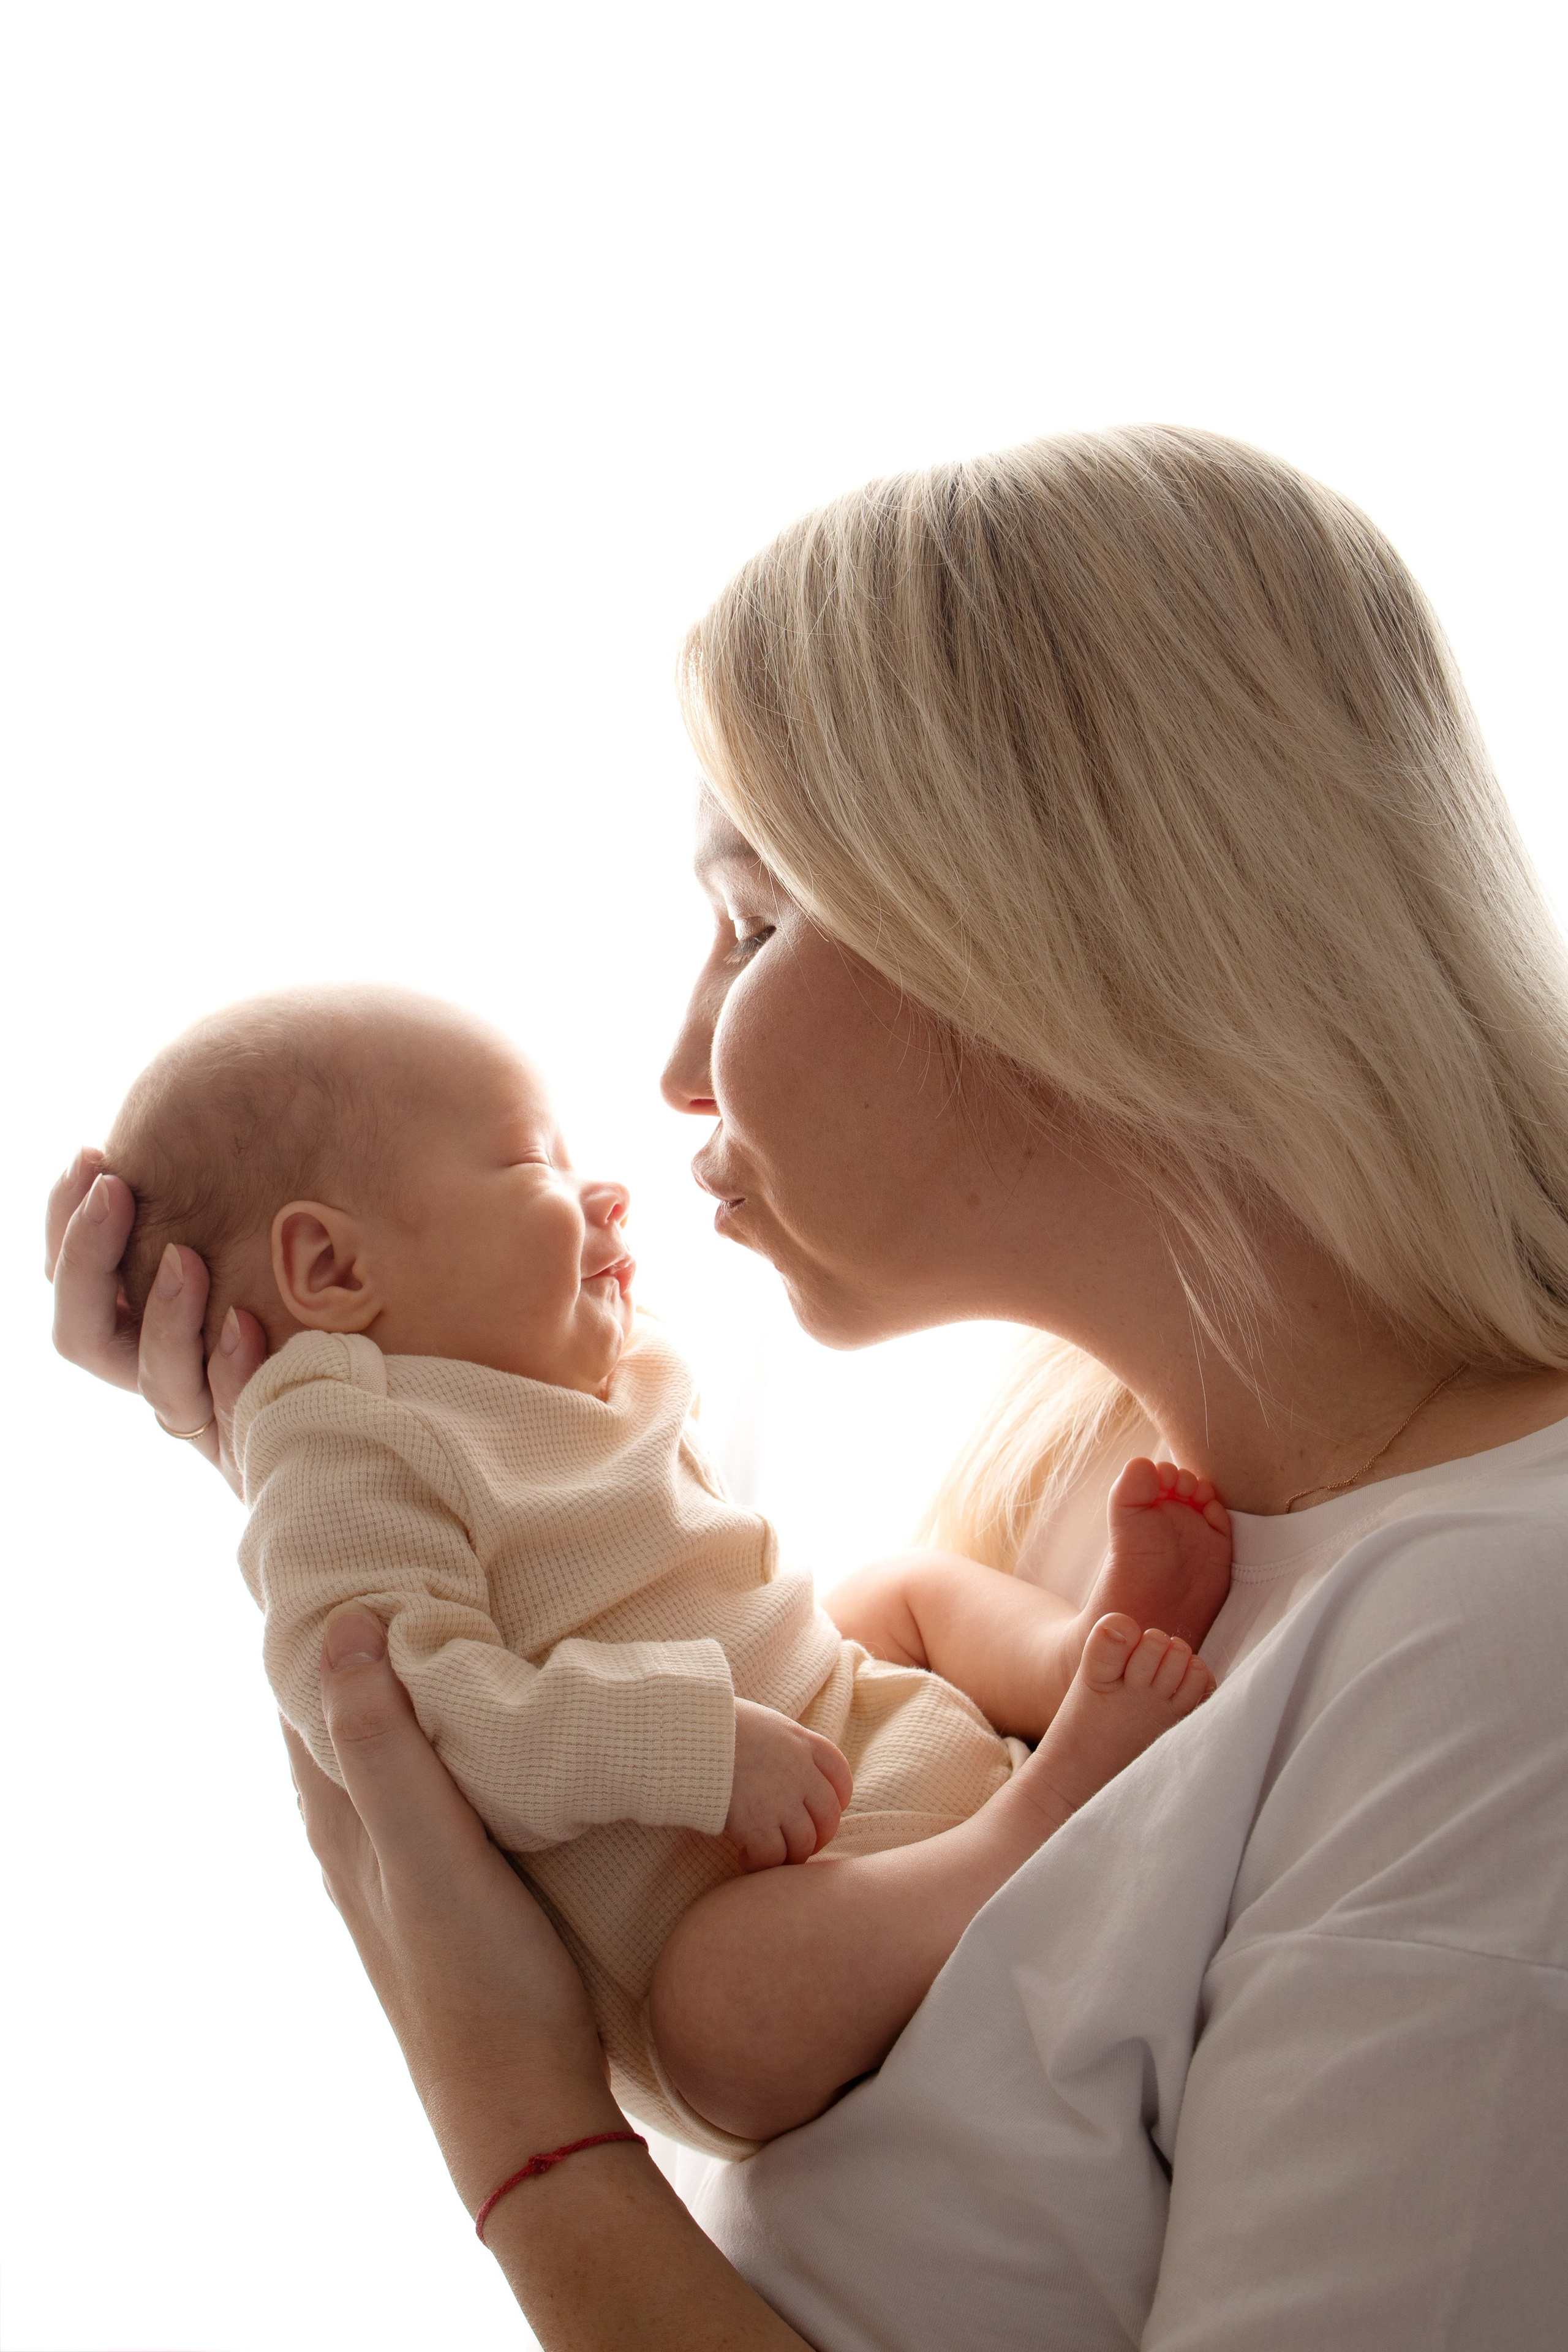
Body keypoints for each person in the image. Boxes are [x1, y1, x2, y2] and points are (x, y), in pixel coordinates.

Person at [48, 424, 1568, 2347]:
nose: (680, 1066)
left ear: (1062, 936)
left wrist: (524, 2144)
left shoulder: (1501, 1654)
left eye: (754, 925)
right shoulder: (1080, 1483)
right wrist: (338, 1440)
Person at [98, 980, 1224, 2150]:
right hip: (761, 1903)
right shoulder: (341, 1450)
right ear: (331, 1268)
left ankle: (1080, 1646)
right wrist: (697, 1744)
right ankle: (1058, 1793)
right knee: (715, 2015)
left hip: (845, 1725)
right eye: (534, 1165)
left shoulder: (567, 1367)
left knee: (896, 1590)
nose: (608, 1192)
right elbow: (420, 1723)